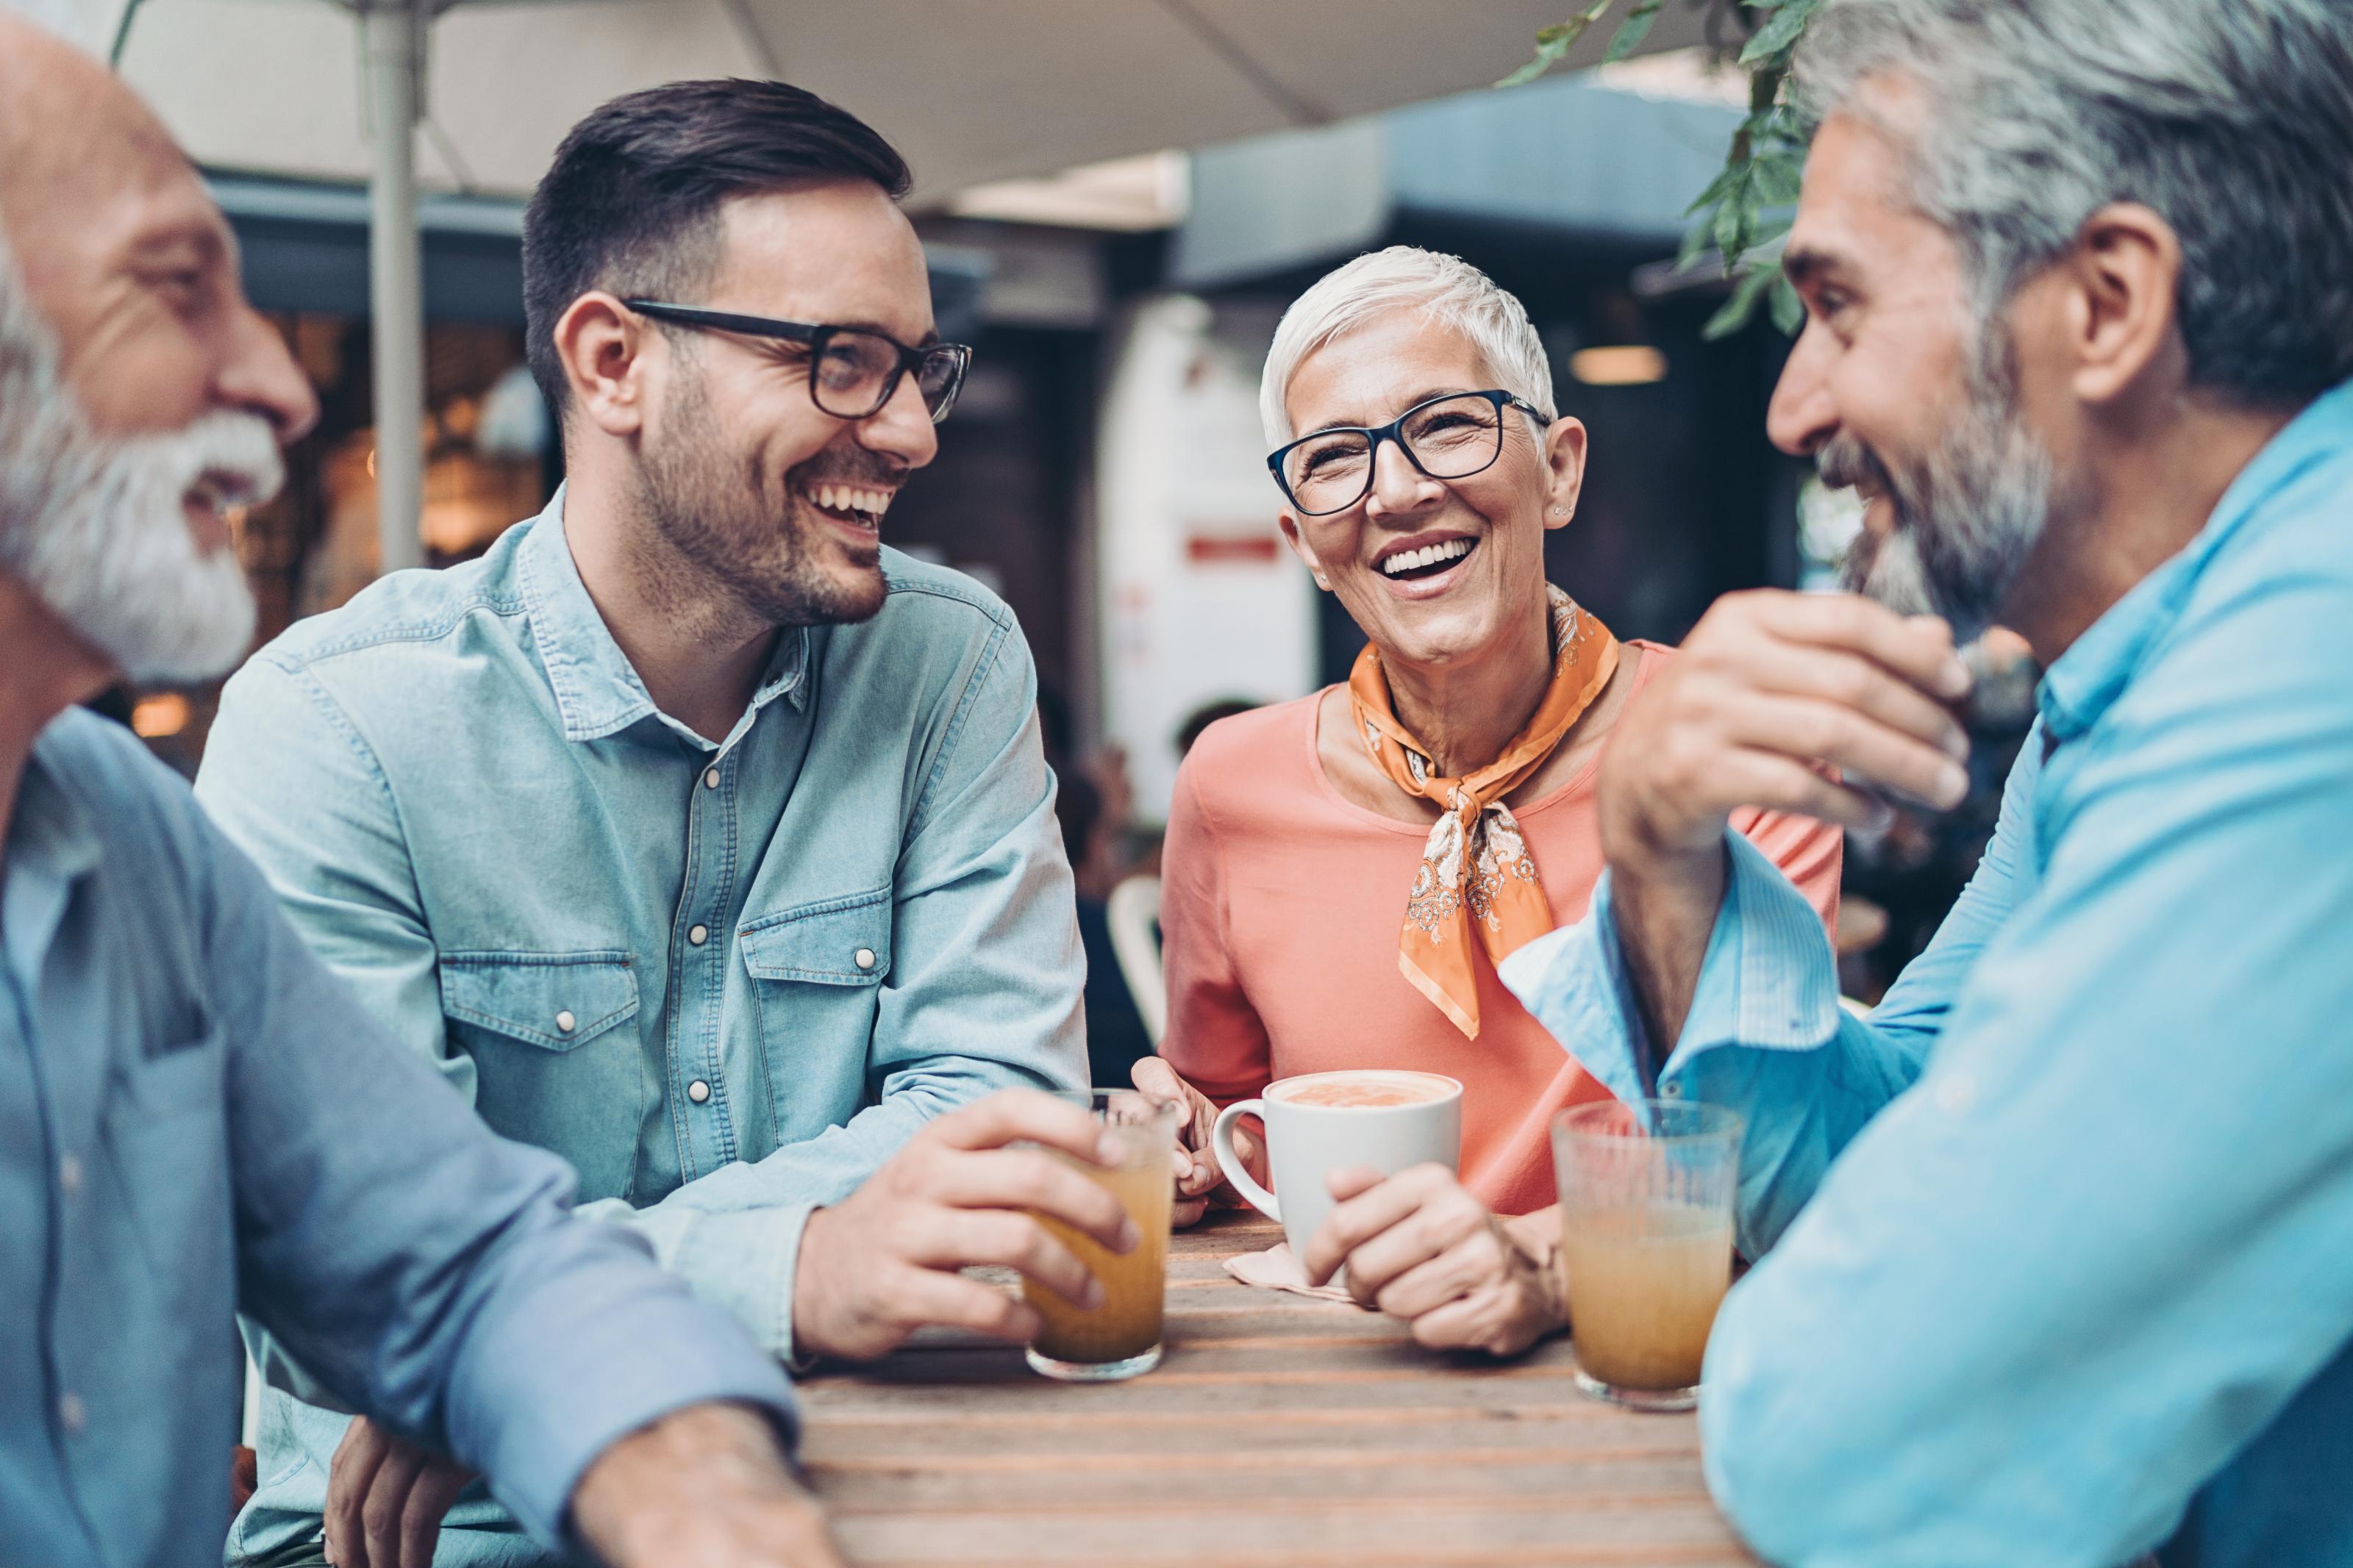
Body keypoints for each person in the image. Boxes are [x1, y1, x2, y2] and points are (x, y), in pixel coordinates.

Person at [191, 80, 1129, 1567]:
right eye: (840, 362)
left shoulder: (952, 658)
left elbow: (999, 1109)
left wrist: (506, 1324)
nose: (907, 431)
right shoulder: (334, 726)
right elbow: (348, 1284)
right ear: (613, 359)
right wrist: (803, 1261)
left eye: (918, 368)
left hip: (867, 1475)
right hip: (447, 1532)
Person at [1497, 1, 2353, 1561]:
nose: (1790, 407)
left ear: (2105, 305)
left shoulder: (2317, 662)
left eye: (1835, 305)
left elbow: (1861, 1429)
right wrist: (1662, 853)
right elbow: (1861, 1185)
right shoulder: (2125, 681)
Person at [0, 17, 848, 1568]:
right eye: (178, 286)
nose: (278, 386)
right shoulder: (321, 722)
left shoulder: (125, 836)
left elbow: (461, 1263)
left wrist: (694, 1488)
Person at [1134, 248, 1841, 1356]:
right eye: (1333, 459)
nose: (1400, 491)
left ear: (1559, 469)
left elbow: (1781, 1148)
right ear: (1304, 544)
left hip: (1637, 1366)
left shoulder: (1730, 742)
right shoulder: (1231, 784)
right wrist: (1171, 1148)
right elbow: (1226, 1134)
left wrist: (1551, 1267)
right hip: (1329, 1382)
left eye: (1449, 424)